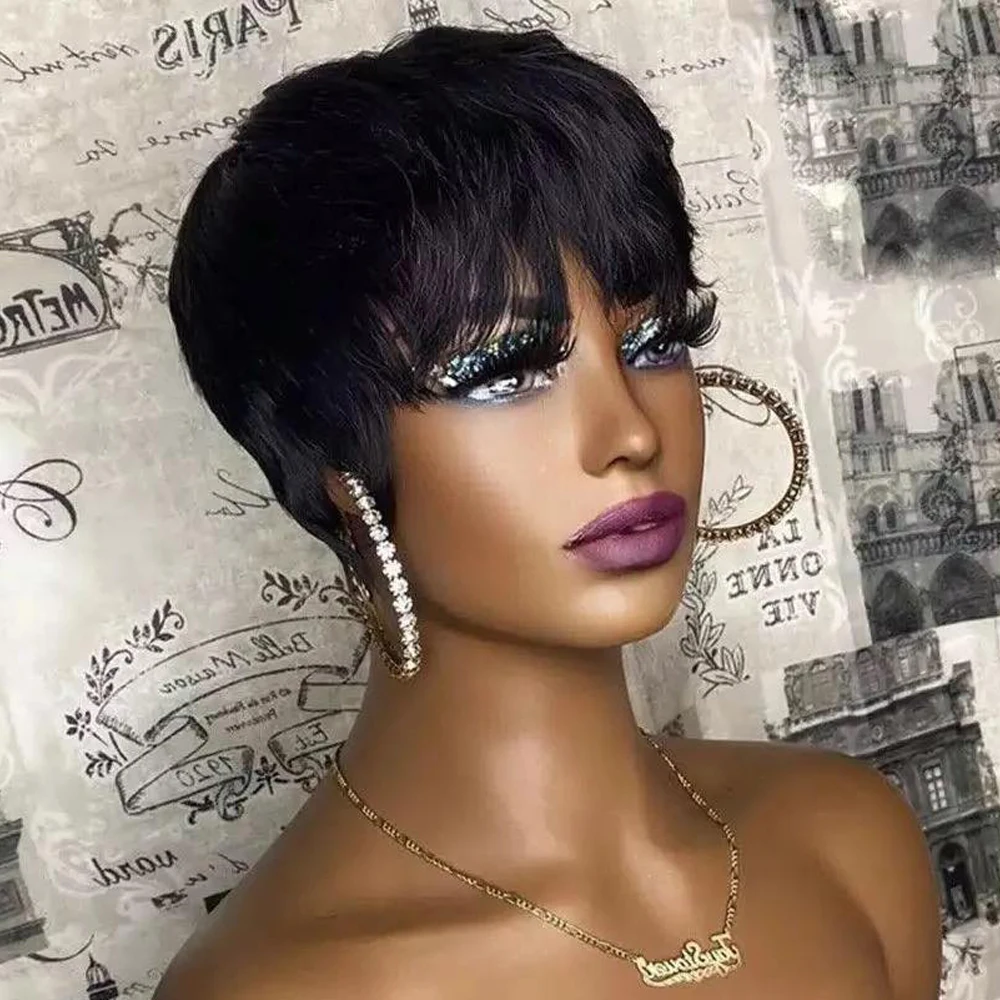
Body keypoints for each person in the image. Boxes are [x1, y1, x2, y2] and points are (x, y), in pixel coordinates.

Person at [154, 24, 940, 999]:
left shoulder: (845, 837)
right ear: (329, 465)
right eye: (502, 373)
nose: (630, 431)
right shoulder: (282, 987)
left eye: (654, 340)